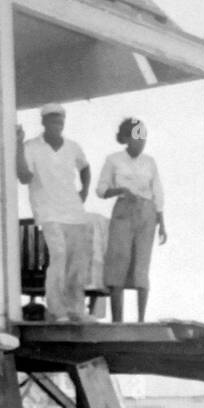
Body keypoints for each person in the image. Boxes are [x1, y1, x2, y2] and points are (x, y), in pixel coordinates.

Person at [16, 104, 91, 324]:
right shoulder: (31, 146)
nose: (57, 125)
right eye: (53, 121)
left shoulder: (73, 147)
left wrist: (84, 190)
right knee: (59, 256)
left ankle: (77, 309)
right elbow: (24, 177)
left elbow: (85, 167)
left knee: (77, 262)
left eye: (60, 121)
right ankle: (58, 311)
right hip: (48, 210)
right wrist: (18, 145)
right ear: (44, 122)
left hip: (74, 211)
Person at [96, 119, 166, 323]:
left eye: (143, 138)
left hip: (147, 212)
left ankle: (141, 319)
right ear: (126, 138)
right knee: (119, 261)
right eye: (136, 137)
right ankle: (117, 320)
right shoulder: (113, 160)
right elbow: (101, 189)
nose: (141, 142)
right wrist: (120, 190)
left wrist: (162, 221)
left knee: (142, 263)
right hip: (124, 209)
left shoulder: (150, 162)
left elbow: (157, 191)